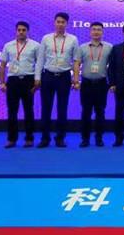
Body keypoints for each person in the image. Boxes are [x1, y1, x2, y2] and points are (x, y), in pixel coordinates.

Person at [35, 12, 79, 148]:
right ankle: (45, 138)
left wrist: (75, 78)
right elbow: (40, 59)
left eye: (63, 22)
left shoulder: (73, 39)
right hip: (48, 76)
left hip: (64, 77)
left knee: (62, 108)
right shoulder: (46, 38)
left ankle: (60, 138)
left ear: (67, 24)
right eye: (58, 22)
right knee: (46, 108)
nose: (60, 24)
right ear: (54, 23)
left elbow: (76, 60)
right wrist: (37, 77)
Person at [0, 21, 40, 148]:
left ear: (27, 31)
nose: (21, 32)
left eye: (24, 30)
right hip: (13, 81)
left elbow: (39, 65)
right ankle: (11, 139)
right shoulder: (8, 46)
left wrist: (37, 81)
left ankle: (29, 139)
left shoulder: (35, 46)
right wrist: (2, 82)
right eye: (19, 30)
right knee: (12, 111)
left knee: (29, 110)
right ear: (16, 31)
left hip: (28, 80)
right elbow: (2, 65)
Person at [74, 22, 112, 148]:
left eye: (99, 30)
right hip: (86, 84)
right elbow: (77, 64)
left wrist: (112, 82)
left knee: (100, 112)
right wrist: (76, 80)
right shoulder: (82, 47)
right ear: (90, 32)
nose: (96, 32)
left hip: (101, 84)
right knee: (86, 112)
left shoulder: (109, 47)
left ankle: (99, 138)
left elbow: (113, 66)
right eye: (94, 29)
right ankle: (85, 139)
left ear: (102, 32)